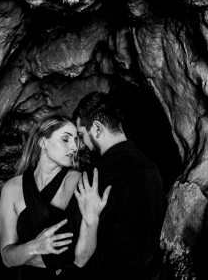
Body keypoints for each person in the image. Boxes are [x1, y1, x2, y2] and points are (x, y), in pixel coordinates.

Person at [0, 116, 111, 279]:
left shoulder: (77, 182)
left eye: (75, 140)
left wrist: (92, 221)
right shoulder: (11, 189)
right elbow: (7, 258)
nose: (74, 147)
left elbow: (81, 258)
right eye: (66, 139)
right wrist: (34, 246)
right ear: (43, 142)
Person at [72, 92, 167, 280]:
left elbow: (73, 249)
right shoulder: (151, 168)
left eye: (82, 135)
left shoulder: (98, 176)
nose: (82, 145)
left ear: (97, 129)